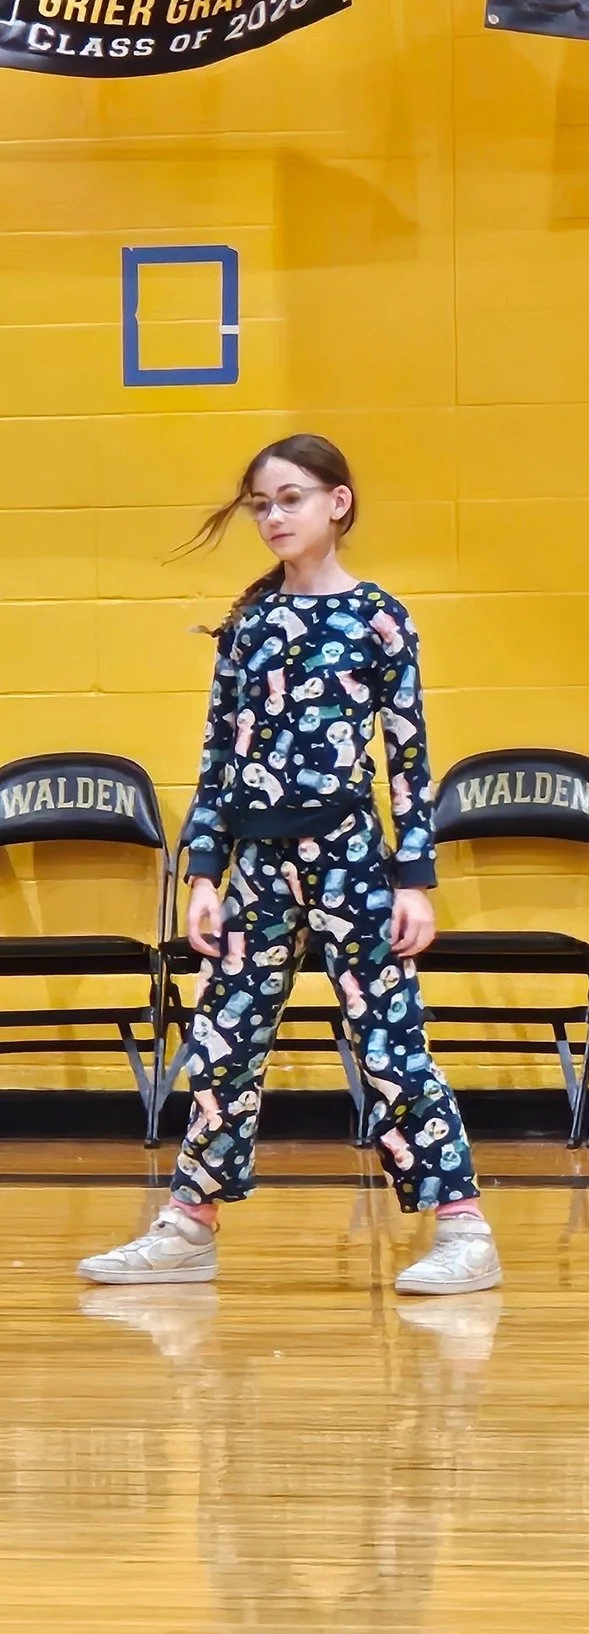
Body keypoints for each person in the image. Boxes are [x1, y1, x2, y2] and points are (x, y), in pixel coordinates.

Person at [78, 434, 502, 1294]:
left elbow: (409, 757)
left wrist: (413, 879)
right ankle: (189, 1224)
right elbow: (217, 756)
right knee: (224, 1041)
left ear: (337, 503)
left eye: (291, 498)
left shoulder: (380, 617)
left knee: (387, 1040)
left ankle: (463, 1229)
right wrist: (205, 871)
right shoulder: (249, 626)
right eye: (262, 505)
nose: (274, 517)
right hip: (256, 864)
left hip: (350, 857)